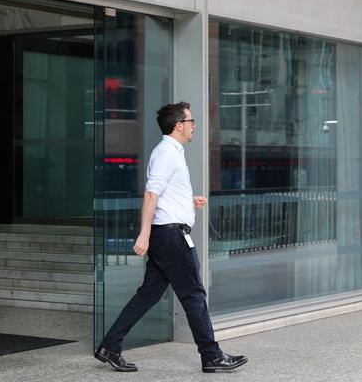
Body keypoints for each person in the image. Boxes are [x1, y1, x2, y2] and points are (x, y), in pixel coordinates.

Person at [94, 102, 248, 373]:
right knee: (194, 295)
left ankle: (110, 346)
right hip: (171, 238)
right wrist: (144, 234)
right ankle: (211, 355)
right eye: (191, 121)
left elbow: (163, 193)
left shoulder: (170, 152)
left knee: (148, 295)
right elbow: (151, 194)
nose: (194, 126)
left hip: (167, 236)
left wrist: (188, 202)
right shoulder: (168, 152)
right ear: (178, 125)